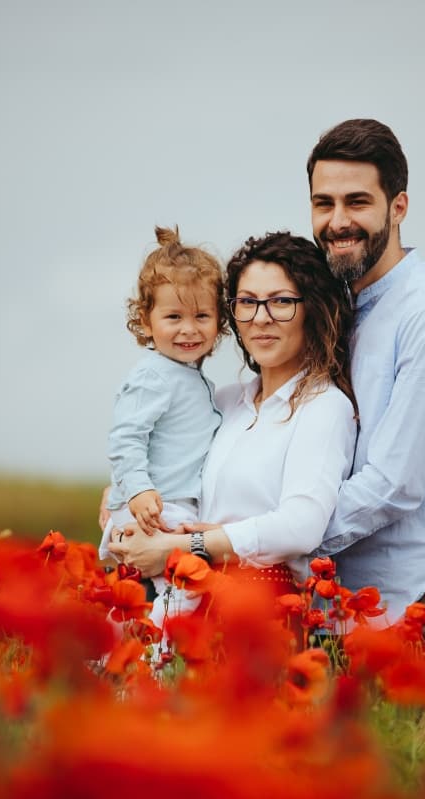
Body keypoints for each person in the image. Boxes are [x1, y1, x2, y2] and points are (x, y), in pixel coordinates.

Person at [108, 232, 358, 608]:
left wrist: (185, 546)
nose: (261, 317)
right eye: (247, 302)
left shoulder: (323, 406)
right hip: (186, 596)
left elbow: (301, 527)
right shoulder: (222, 402)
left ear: (313, 309)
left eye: (281, 301)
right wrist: (123, 494)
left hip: (255, 604)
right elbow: (156, 456)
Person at [307, 119, 425, 618]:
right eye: (324, 203)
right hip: (341, 609)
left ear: (398, 206)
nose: (337, 221)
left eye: (357, 202)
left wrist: (269, 535)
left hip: (414, 608)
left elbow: (394, 483)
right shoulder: (337, 310)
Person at [99, 226, 227, 625]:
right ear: (146, 320)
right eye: (173, 317)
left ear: (219, 321)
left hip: (167, 504)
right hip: (153, 505)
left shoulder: (195, 380)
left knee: (146, 594)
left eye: (202, 316)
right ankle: (157, 653)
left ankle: (125, 650)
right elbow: (126, 437)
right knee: (186, 585)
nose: (189, 328)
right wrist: (137, 489)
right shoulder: (153, 375)